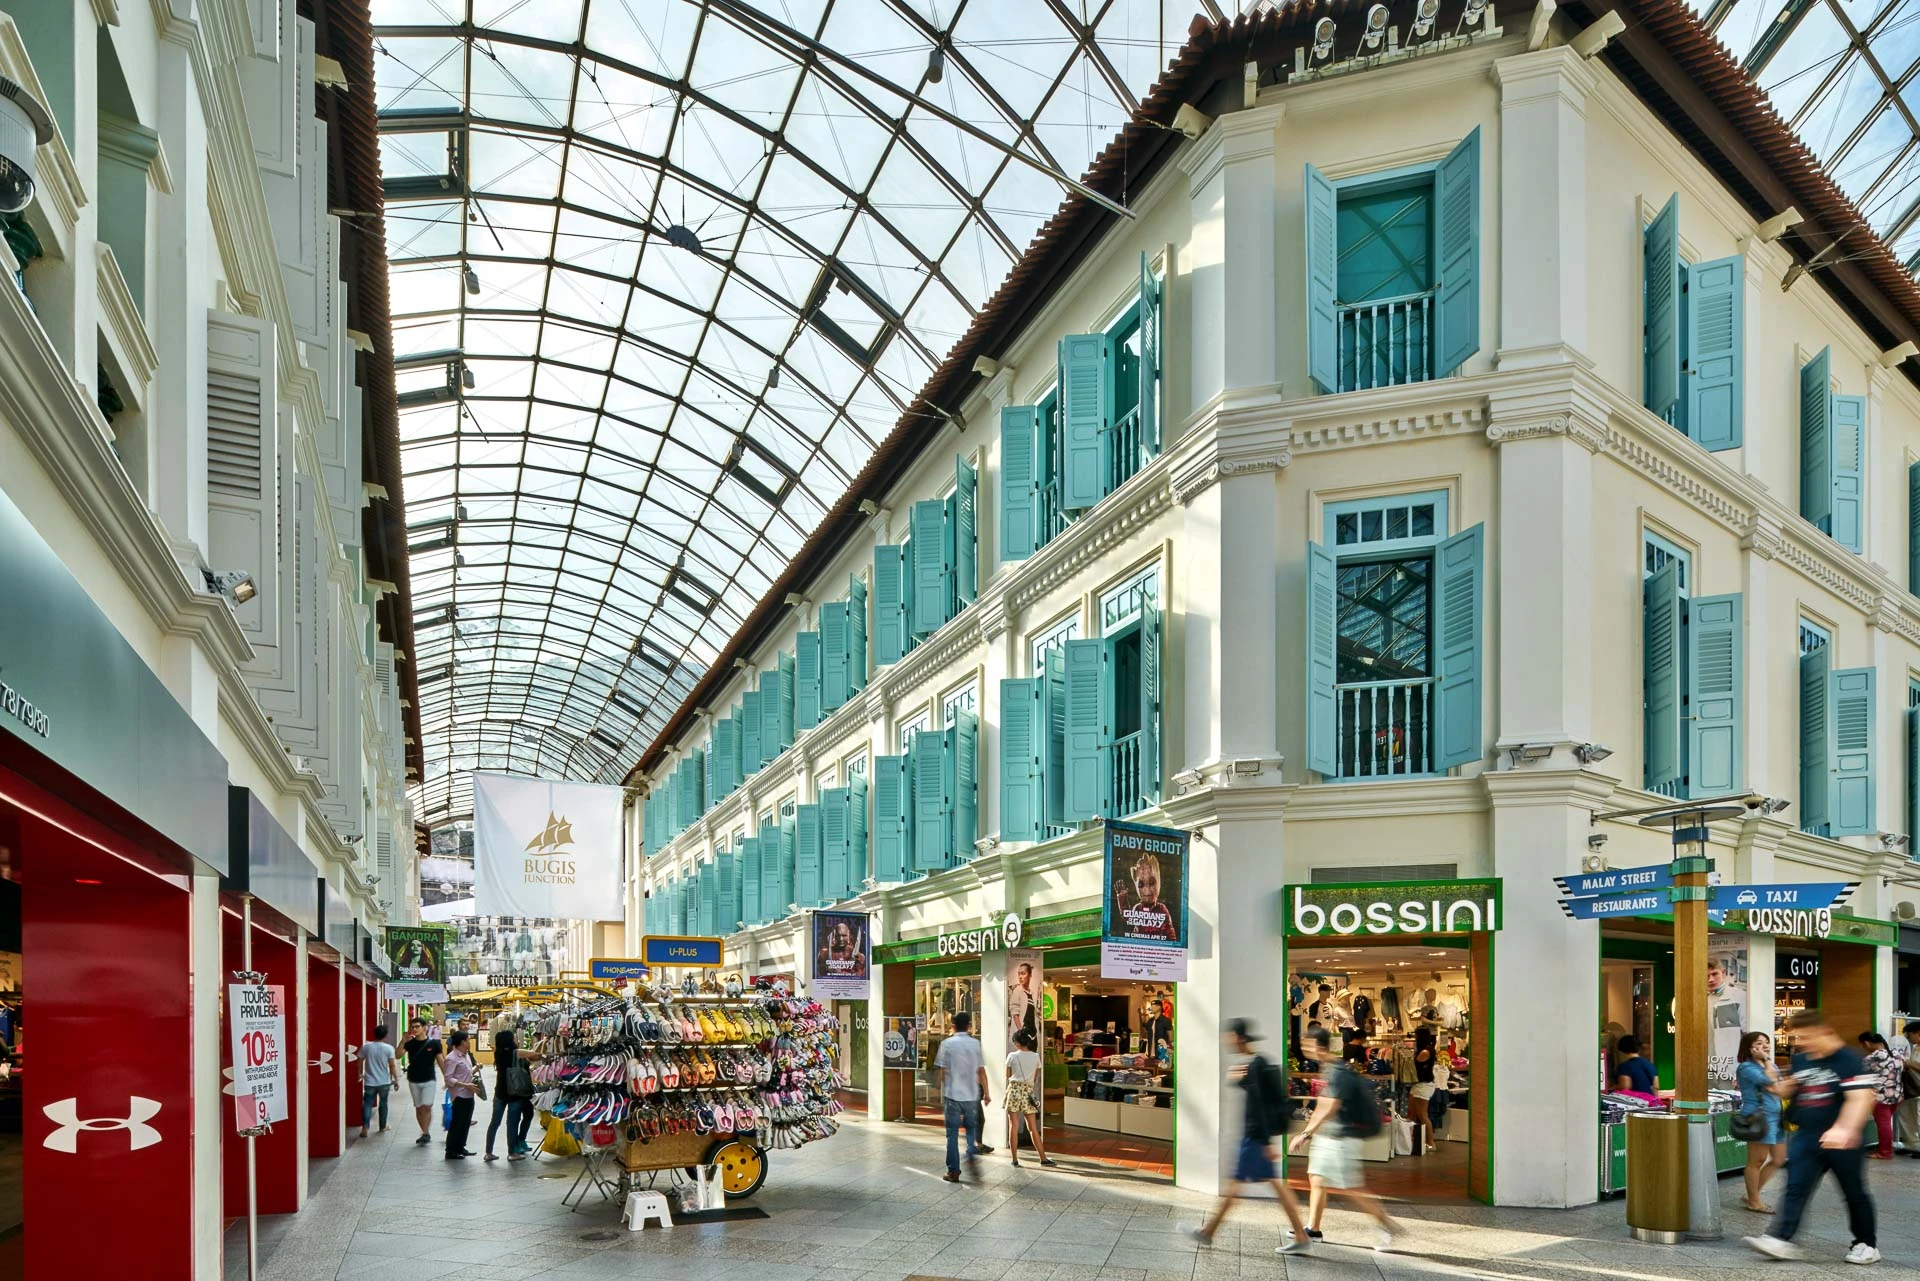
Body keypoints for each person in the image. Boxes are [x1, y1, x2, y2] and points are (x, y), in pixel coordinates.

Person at [1744, 1008, 1879, 1265]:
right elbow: (1788, 1090)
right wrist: (1778, 1079)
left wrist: (1845, 1128)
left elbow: (1861, 1098)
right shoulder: (1804, 1058)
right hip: (1807, 1136)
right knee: (1796, 1187)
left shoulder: (1849, 1059)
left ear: (1824, 1032)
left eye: (1806, 1037)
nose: (1801, 1044)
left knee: (1854, 1192)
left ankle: (1866, 1244)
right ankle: (1781, 1238)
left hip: (1844, 1140)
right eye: (1797, 1039)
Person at [1192, 1018, 1311, 1254]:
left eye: (1230, 1036)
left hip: (1254, 1138)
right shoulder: (1253, 1064)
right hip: (1255, 1137)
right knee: (1267, 1185)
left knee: (1241, 1185)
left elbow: (1260, 1106)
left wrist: (1266, 1142)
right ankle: (1299, 1234)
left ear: (1239, 1038)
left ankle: (1208, 1233)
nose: (1226, 1040)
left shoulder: (1256, 1065)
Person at [1297, 1027, 1404, 1252]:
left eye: (1307, 1043)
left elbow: (1331, 1105)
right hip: (1331, 1135)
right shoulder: (1329, 1069)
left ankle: (1388, 1225)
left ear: (1319, 1046)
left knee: (1351, 1188)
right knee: (1317, 1178)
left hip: (1342, 1137)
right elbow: (1324, 1104)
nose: (1304, 1047)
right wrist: (1309, 1132)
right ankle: (1313, 1229)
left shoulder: (1337, 1071)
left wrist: (1306, 1133)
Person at [933, 1010, 993, 1181]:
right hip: (972, 1095)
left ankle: (953, 1171)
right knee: (971, 1131)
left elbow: (942, 1070)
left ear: (953, 1025)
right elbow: (981, 1071)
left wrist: (938, 1088)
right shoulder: (975, 1044)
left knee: (951, 1134)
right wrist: (987, 1093)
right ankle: (971, 1154)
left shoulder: (947, 1044)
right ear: (969, 1026)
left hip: (953, 1095)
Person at [1736, 1031, 1785, 1213]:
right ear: (1749, 1048)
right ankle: (1754, 1201)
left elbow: (1779, 1087)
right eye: (1759, 1043)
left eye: (1766, 1042)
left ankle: (1751, 1193)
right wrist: (1767, 1061)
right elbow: (1771, 1081)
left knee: (1778, 1158)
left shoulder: (1768, 1065)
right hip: (1758, 1117)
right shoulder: (1746, 1068)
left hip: (1777, 1117)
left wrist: (1767, 1065)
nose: (1765, 1045)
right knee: (1757, 1160)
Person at [484, 1019, 540, 1161]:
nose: (516, 1039)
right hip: (515, 1092)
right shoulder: (517, 1052)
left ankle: (488, 1152)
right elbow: (535, 1055)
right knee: (512, 1122)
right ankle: (512, 1152)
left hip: (500, 1092)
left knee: (494, 1122)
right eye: (514, 1037)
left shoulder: (498, 1053)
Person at [1004, 1028, 1054, 1168]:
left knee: (1013, 1125)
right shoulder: (1035, 1057)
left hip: (1014, 1090)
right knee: (1032, 1127)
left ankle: (1014, 1159)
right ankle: (1043, 1158)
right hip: (1028, 1092)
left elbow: (1007, 1076)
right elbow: (1036, 1077)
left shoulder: (1012, 1056)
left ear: (1018, 1043)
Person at [1114, 852, 1181, 940]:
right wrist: (1122, 897)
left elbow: (1170, 933)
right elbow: (1127, 916)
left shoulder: (1161, 909)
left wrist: (1171, 949)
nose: (1147, 890)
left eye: (1152, 883)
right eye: (1141, 884)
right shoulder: (1137, 908)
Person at [400, 1017, 443, 1145]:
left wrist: (448, 1077)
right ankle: (424, 1131)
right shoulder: (409, 1043)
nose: (414, 1029)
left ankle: (425, 1133)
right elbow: (397, 1055)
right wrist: (402, 1041)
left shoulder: (434, 1044)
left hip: (429, 1079)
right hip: (413, 1079)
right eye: (412, 1027)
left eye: (417, 1026)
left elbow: (441, 1061)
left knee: (427, 1106)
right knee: (419, 1108)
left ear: (424, 1028)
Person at [440, 1029, 480, 1160]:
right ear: (462, 1042)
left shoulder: (466, 1056)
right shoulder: (452, 1058)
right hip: (459, 1095)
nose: (469, 1042)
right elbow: (448, 1079)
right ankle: (451, 1150)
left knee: (465, 1122)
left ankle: (461, 1146)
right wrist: (465, 1085)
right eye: (468, 1040)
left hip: (469, 1094)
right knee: (457, 1123)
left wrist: (476, 1069)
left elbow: (466, 1074)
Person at [1859, 1032, 1899, 1160]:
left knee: (1883, 1124)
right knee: (1886, 1123)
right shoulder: (1896, 1054)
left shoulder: (1872, 1058)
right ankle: (1885, 1148)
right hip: (1897, 1094)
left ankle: (1885, 1152)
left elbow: (1860, 1074)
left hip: (1881, 1096)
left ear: (1866, 1043)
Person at [357, 1023, 396, 1139]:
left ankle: (365, 1126)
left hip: (369, 1081)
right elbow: (392, 1065)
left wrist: (360, 1073)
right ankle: (382, 1126)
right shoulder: (389, 1048)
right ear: (385, 1035)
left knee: (367, 1104)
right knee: (383, 1103)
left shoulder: (366, 1047)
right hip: (384, 1081)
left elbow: (359, 1060)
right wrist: (395, 1079)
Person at [1408, 1027, 1437, 1140]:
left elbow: (1415, 1063)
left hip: (1424, 1085)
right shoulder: (1425, 1049)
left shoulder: (1425, 1051)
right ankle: (1409, 1140)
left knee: (1422, 1116)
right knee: (1411, 1114)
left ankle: (1430, 1143)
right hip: (1418, 1085)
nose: (1414, 1038)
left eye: (1416, 1035)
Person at [1899, 1024, 1920, 1158]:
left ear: (1918, 1033)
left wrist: (1907, 1063)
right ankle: (1911, 1145)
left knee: (1918, 1118)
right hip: (1912, 1087)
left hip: (1918, 1088)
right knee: (1906, 1116)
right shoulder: (1916, 1048)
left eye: (1909, 1035)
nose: (1908, 1038)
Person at [1008, 962, 1039, 1044]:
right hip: (1023, 1035)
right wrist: (1021, 1031)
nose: (1020, 977)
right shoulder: (1017, 991)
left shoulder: (1033, 993)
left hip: (1033, 1034)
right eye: (1019, 974)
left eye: (1023, 973)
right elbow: (1015, 1013)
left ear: (1030, 975)